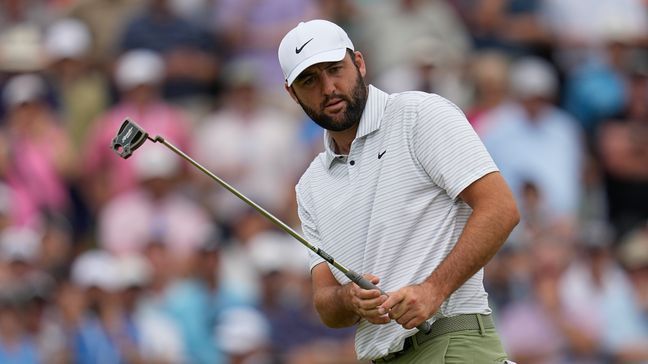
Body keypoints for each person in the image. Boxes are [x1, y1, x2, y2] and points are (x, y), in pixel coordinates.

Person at [277, 19, 520, 363]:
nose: (328, 88)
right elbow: (325, 304)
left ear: (359, 63)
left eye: (335, 69)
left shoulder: (419, 114)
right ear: (291, 92)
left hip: (452, 342)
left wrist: (433, 290)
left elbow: (500, 208)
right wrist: (348, 299)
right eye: (309, 80)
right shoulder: (310, 186)